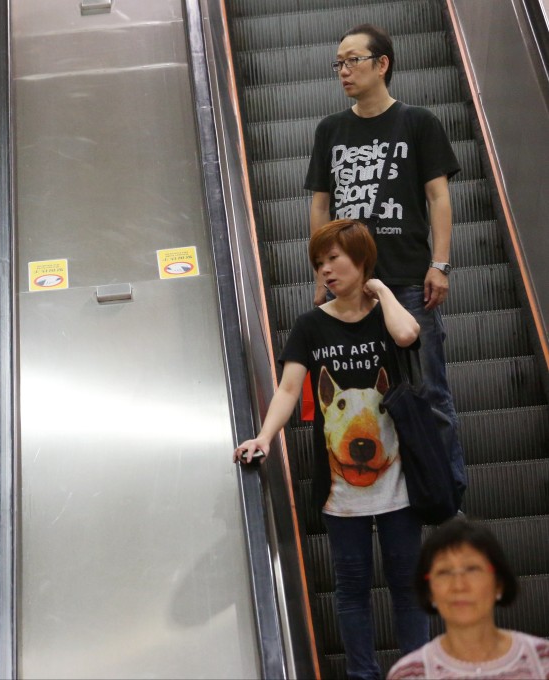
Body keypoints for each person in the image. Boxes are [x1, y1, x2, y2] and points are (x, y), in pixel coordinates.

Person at [235, 220, 428, 680]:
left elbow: (406, 335)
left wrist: (379, 288)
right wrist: (263, 437)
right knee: (352, 588)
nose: (325, 270)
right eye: (319, 263)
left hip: (400, 479)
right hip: (341, 491)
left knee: (406, 585)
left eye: (334, 259)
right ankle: (363, 675)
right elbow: (286, 390)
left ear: (361, 260)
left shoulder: (385, 312)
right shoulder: (310, 326)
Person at [304, 23, 467, 509]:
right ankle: (387, 498)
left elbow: (439, 197)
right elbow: (320, 207)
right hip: (350, 292)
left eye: (352, 60)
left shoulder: (418, 122)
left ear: (382, 64)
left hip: (410, 281)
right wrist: (322, 271)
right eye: (338, 63)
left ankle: (446, 498)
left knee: (429, 393)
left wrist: (440, 263)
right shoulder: (331, 130)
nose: (343, 71)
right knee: (362, 398)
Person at [387, 517, 548, 679]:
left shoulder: (543, 661)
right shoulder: (409, 674)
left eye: (472, 569)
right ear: (429, 591)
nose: (459, 585)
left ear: (499, 582)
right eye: (444, 572)